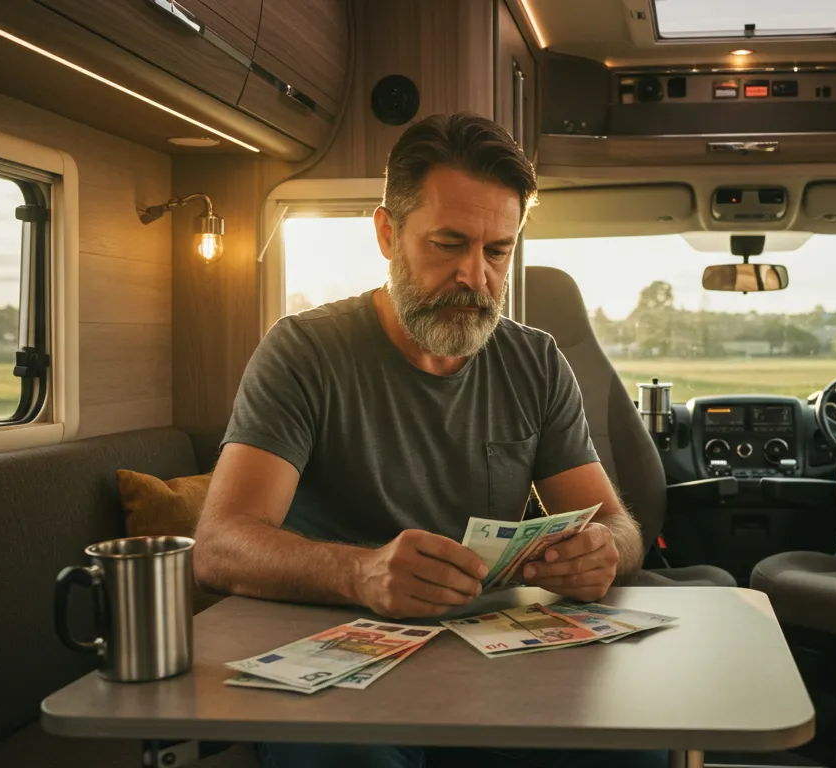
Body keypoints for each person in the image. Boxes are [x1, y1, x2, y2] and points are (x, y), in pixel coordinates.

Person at [193, 113, 662, 768]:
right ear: (387, 234)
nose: (476, 276)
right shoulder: (302, 353)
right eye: (448, 244)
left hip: (484, 653)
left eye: (498, 251)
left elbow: (618, 525)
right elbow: (220, 544)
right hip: (331, 655)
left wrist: (603, 552)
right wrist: (361, 572)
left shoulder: (537, 362)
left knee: (634, 753)